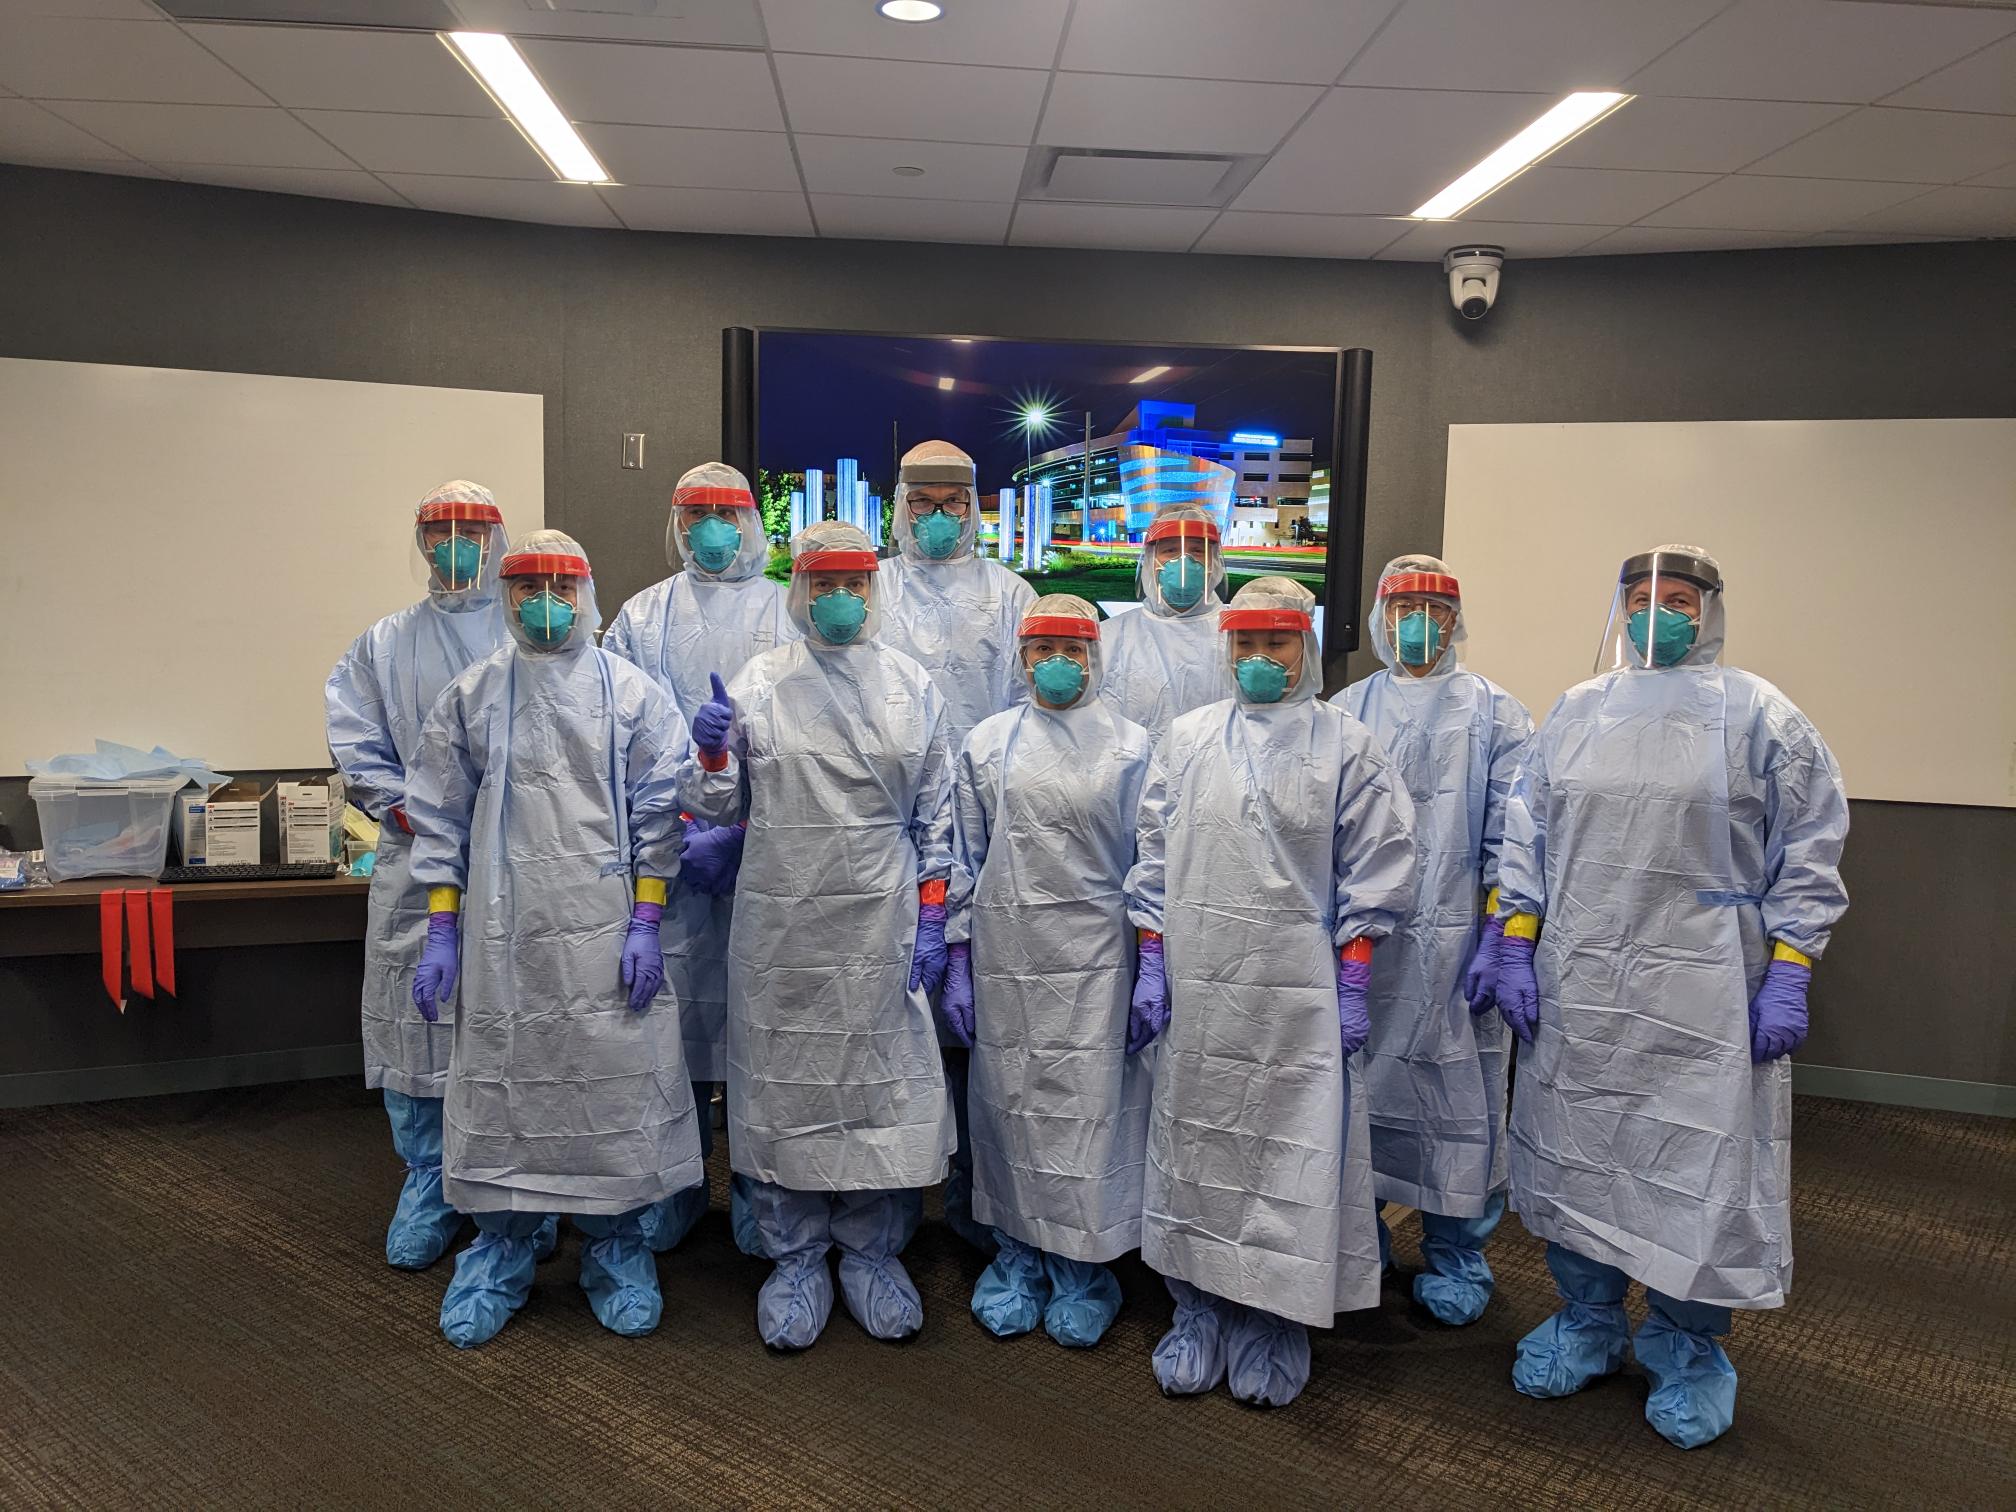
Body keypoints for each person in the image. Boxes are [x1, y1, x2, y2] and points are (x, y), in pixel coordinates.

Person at [1495, 544, 1849, 1449]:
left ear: (1711, 609)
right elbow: (1527, 835)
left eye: (1680, 598)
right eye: (1642, 597)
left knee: (1697, 1165)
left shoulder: (1758, 714)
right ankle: (1587, 1318)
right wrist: (1515, 942)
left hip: (1706, 988)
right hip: (1584, 980)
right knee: (1581, 1149)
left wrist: (1791, 970)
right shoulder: (1578, 711)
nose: (1659, 613)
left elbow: (1810, 847)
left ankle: (1687, 1347)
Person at [406, 529, 706, 1348]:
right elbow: (439, 819)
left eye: (561, 587)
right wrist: (442, 930)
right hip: (503, 936)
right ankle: (499, 1252)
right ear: (506, 599)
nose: (545, 604)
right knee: (506, 1089)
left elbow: (660, 816)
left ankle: (618, 1249)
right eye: (528, 588)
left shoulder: (631, 693)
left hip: (607, 930)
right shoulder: (473, 695)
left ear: (586, 593)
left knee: (612, 1090)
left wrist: (647, 922)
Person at [1128, 577, 1416, 1407]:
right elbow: (1153, 859)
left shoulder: (1346, 745)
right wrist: (1152, 960)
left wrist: (1353, 977)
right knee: (1199, 1147)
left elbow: (1378, 867)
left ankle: (1275, 1313)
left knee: (1289, 1152)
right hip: (1202, 988)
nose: (1259, 658)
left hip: (1297, 995)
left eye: (1276, 642)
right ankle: (1199, 1305)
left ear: (1306, 647)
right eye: (1245, 643)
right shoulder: (1187, 738)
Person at [681, 520, 957, 1351]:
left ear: (875, 589)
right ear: (799, 590)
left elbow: (937, 814)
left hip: (881, 917)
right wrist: (714, 757)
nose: (840, 599)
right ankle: (795, 1256)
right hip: (784, 924)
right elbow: (720, 807)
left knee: (878, 1085)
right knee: (786, 1082)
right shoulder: (761, 683)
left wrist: (934, 916)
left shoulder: (912, 685)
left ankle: (872, 1253)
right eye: (824, 584)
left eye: (854, 583)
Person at [325, 480, 559, 1271]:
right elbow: (356, 738)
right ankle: (429, 1179)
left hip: (521, 858)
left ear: (497, 541)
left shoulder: (532, 631)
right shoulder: (385, 644)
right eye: (439, 532)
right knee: (416, 1019)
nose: (455, 545)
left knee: (519, 1019)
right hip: (419, 858)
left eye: (471, 531)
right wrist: (403, 806)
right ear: (421, 543)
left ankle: (524, 1186)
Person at [947, 594, 1152, 1349]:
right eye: (1042, 649)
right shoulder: (988, 743)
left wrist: (1154, 964)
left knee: (1087, 1115)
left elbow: (1153, 863)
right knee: (1009, 1108)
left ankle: (1082, 1268)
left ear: (1095, 656)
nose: (1057, 663)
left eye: (1072, 648)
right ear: (1022, 658)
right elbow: (962, 856)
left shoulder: (1133, 748)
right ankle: (1016, 1257)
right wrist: (957, 956)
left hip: (1099, 961)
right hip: (1007, 955)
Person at [1335, 556, 1532, 1325]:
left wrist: (1501, 935)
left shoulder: (1498, 715)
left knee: (1460, 1093)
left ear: (1456, 620)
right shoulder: (1347, 710)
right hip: (1365, 949)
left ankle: (1457, 1252)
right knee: (1360, 1092)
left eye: (1434, 607)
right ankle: (1361, 1240)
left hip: (1458, 946)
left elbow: (1516, 837)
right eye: (1402, 606)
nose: (1417, 621)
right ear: (1380, 619)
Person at [605, 462, 794, 1257]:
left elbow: (805, 744)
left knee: (761, 1031)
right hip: (670, 859)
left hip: (767, 860)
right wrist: (678, 831)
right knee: (672, 1036)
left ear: (751, 522)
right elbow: (619, 735)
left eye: (726, 513)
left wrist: (743, 831)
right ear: (676, 524)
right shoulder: (641, 616)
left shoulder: (790, 609)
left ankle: (761, 1192)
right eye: (696, 514)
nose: (712, 529)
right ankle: (674, 1187)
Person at [878, 439, 1039, 1253]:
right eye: (923, 502)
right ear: (898, 505)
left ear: (975, 506)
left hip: (986, 831)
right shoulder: (868, 590)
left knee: (985, 1033)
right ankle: (888, 1203)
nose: (938, 517)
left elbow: (1032, 722)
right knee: (889, 1018)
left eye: (953, 503)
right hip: (880, 832)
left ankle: (981, 1204)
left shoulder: (1011, 597)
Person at [1101, 499, 1230, 748]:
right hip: (1133, 770)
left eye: (1197, 551)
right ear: (1151, 559)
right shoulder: (1110, 637)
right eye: (1170, 550)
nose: (1184, 561)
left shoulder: (1240, 638)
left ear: (1214, 561)